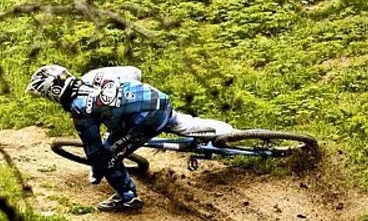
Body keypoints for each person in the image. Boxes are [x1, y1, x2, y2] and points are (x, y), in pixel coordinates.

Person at [25, 63, 234, 212]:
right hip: (157, 99)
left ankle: (127, 198)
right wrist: (127, 99)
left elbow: (94, 148)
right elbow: (134, 72)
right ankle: (229, 133)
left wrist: (97, 173)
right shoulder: (93, 75)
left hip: (142, 121)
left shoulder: (78, 110)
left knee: (109, 158)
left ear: (53, 92)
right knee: (183, 123)